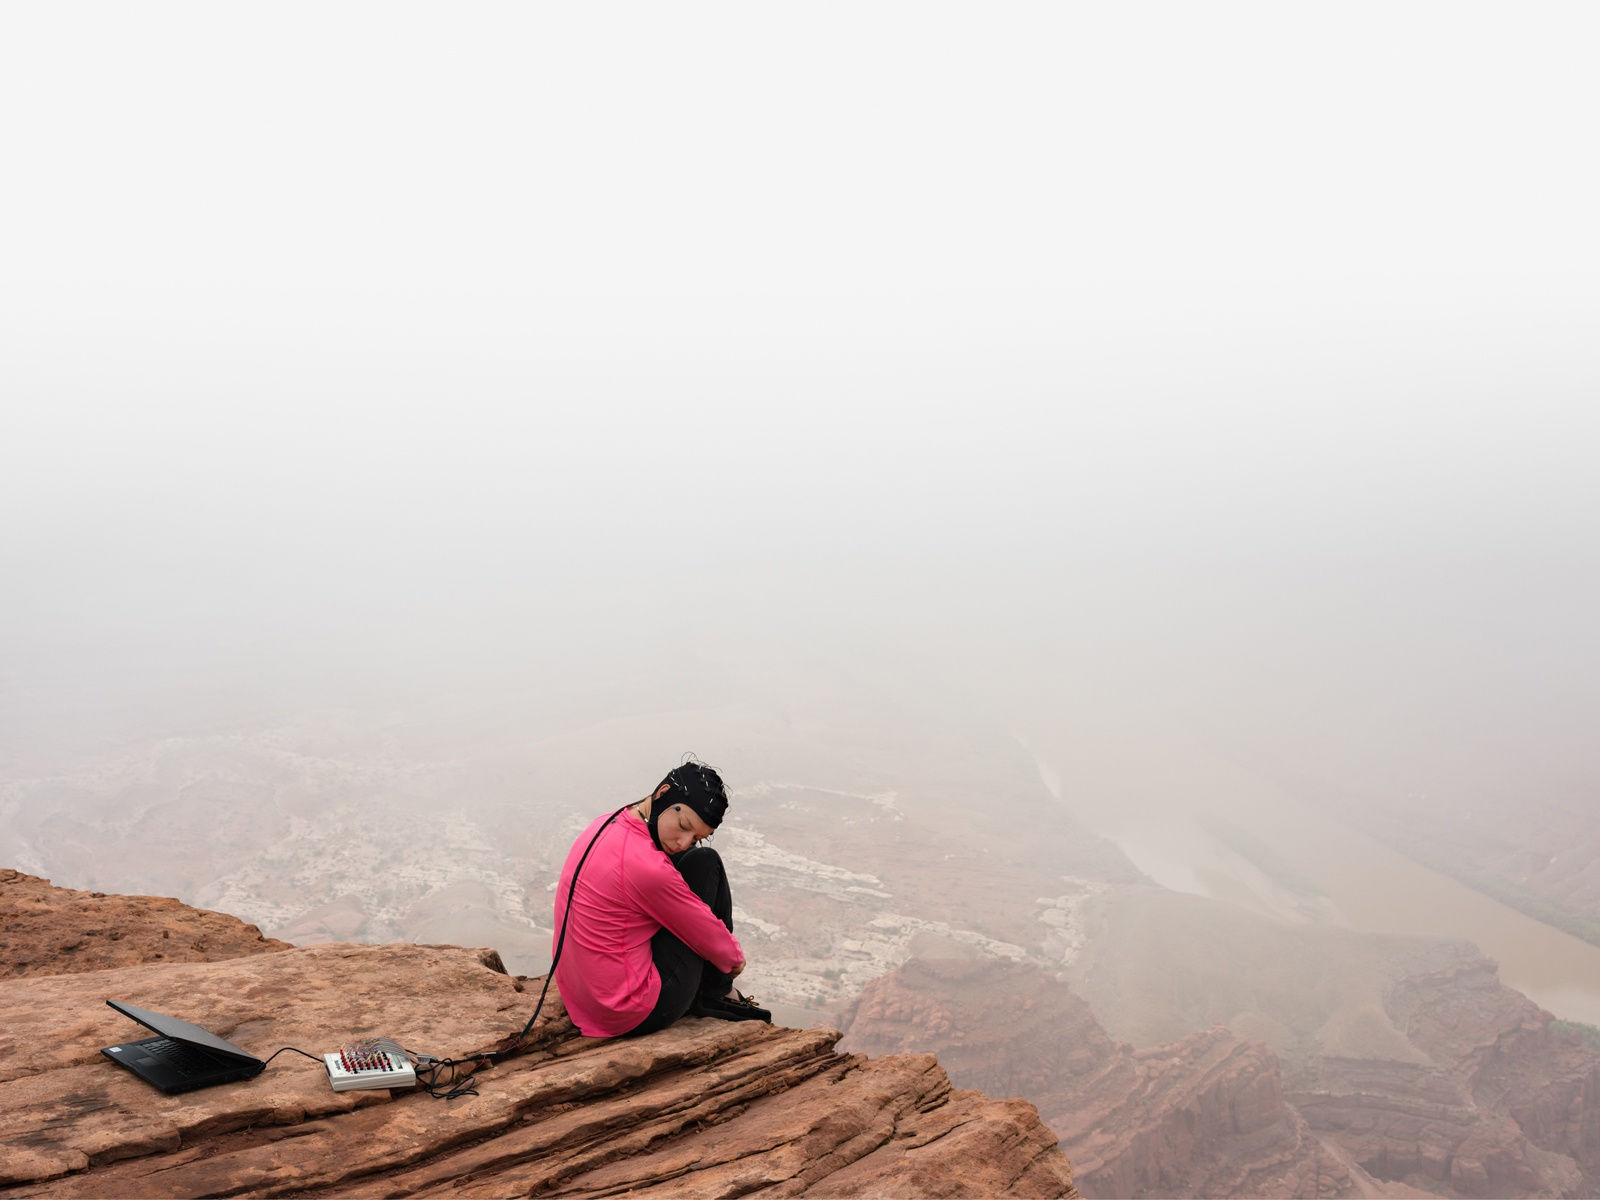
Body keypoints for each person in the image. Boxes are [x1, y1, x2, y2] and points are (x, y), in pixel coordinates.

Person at [551, 760, 770, 1038]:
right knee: (706, 862)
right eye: (683, 825)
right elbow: (703, 931)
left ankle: (716, 989)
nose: (683, 842)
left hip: (581, 999)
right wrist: (733, 961)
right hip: (628, 1011)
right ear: (664, 792)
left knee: (695, 859)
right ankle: (718, 991)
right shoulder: (647, 868)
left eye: (696, 838)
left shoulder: (606, 822)